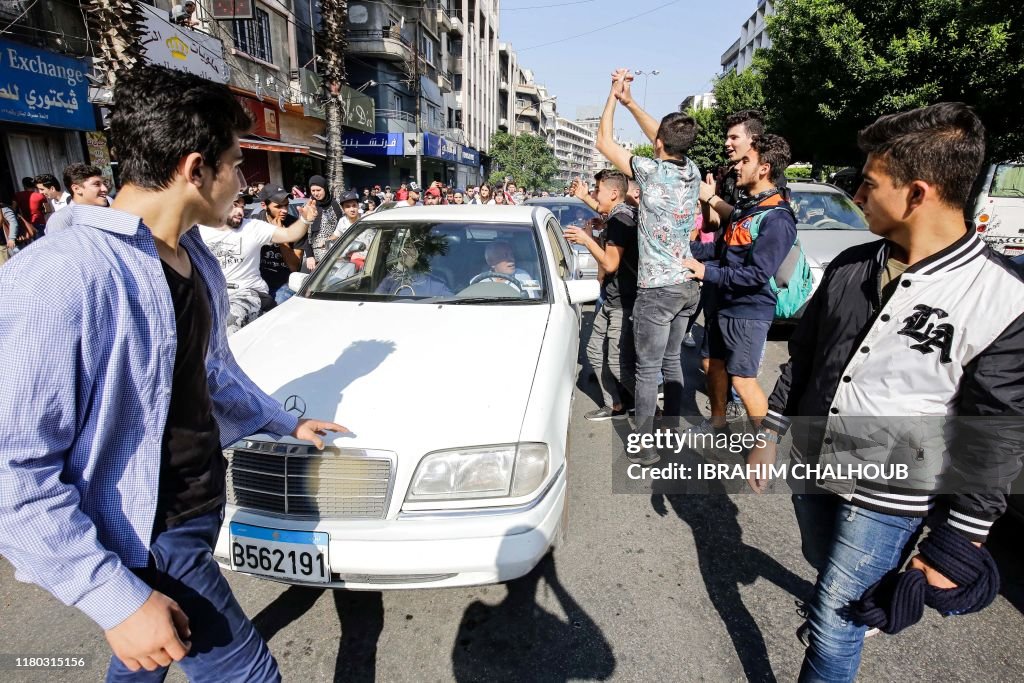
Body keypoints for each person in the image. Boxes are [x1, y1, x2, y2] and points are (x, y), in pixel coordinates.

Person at [0, 63, 346, 682]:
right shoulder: (62, 276)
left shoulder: (193, 262)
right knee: (249, 674)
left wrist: (281, 421)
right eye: (237, 165)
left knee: (146, 659)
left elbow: (211, 375)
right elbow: (11, 470)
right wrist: (112, 596)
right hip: (153, 533)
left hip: (195, 509)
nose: (243, 181)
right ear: (194, 170)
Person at [747, 102, 1024, 682]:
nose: (859, 195)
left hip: (891, 492)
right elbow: (805, 358)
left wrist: (961, 541)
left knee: (834, 625)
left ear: (917, 193)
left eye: (868, 184)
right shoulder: (852, 265)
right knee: (824, 569)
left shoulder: (1000, 297)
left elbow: (996, 431)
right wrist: (770, 431)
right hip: (813, 461)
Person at [595, 68, 702, 465]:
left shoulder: (650, 171)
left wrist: (613, 96)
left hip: (657, 291)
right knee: (673, 363)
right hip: (688, 286)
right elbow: (667, 138)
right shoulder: (690, 172)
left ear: (657, 143)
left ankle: (645, 448)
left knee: (646, 371)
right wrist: (631, 102)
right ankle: (669, 432)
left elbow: (604, 141)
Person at [683, 134, 797, 436]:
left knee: (743, 380)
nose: (737, 165)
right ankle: (718, 421)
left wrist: (706, 274)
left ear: (765, 168)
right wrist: (683, 251)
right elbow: (722, 251)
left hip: (749, 310)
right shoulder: (747, 209)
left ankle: (765, 446)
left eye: (746, 160)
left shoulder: (777, 217)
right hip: (723, 303)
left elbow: (757, 274)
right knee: (713, 363)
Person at [564, 170, 639, 420]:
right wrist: (598, 227)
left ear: (614, 193)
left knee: (618, 363)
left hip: (624, 302)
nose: (595, 195)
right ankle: (615, 405)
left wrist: (586, 240)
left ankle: (651, 409)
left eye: (598, 190)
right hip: (611, 297)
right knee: (596, 351)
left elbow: (610, 264)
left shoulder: (621, 219)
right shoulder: (616, 216)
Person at [201, 192, 316, 334]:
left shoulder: (252, 227)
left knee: (230, 321)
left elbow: (290, 234)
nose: (240, 212)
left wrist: (305, 220)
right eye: (234, 206)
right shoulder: (199, 232)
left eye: (242, 207)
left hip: (250, 292)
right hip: (216, 295)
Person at [253, 185, 306, 305]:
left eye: (286, 204)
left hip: (284, 283)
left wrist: (282, 237)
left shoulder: (295, 225)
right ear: (264, 205)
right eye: (278, 206)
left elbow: (294, 267)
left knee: (278, 306)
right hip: (257, 281)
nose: (285, 210)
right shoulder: (255, 223)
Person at [46, 164, 111, 235]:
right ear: (77, 189)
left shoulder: (109, 204)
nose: (105, 189)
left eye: (103, 183)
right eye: (97, 184)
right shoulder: (61, 219)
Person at [375, 241, 452, 297]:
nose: (405, 251)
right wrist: (402, 266)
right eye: (405, 248)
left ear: (417, 257)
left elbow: (452, 300)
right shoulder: (396, 276)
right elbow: (378, 294)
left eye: (409, 248)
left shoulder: (437, 284)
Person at [303, 174, 342, 272]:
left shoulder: (335, 205)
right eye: (313, 191)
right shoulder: (308, 206)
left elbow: (341, 229)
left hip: (335, 255)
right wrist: (309, 256)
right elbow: (303, 233)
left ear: (325, 188)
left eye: (318, 190)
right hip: (314, 258)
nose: (316, 193)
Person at [477, 240, 542, 298]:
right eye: (505, 256)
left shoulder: (525, 276)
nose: (511, 259)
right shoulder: (479, 280)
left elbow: (535, 300)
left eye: (511, 255)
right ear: (491, 262)